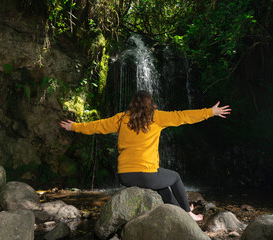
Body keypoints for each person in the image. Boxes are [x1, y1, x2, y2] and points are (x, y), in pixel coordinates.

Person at [60, 90, 231, 221]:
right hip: (147, 175)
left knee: (163, 187)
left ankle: (181, 213)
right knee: (175, 177)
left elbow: (98, 126)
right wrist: (210, 111)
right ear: (151, 104)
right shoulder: (156, 117)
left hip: (125, 176)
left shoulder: (121, 118)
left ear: (133, 104)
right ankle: (188, 212)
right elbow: (183, 116)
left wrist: (75, 126)